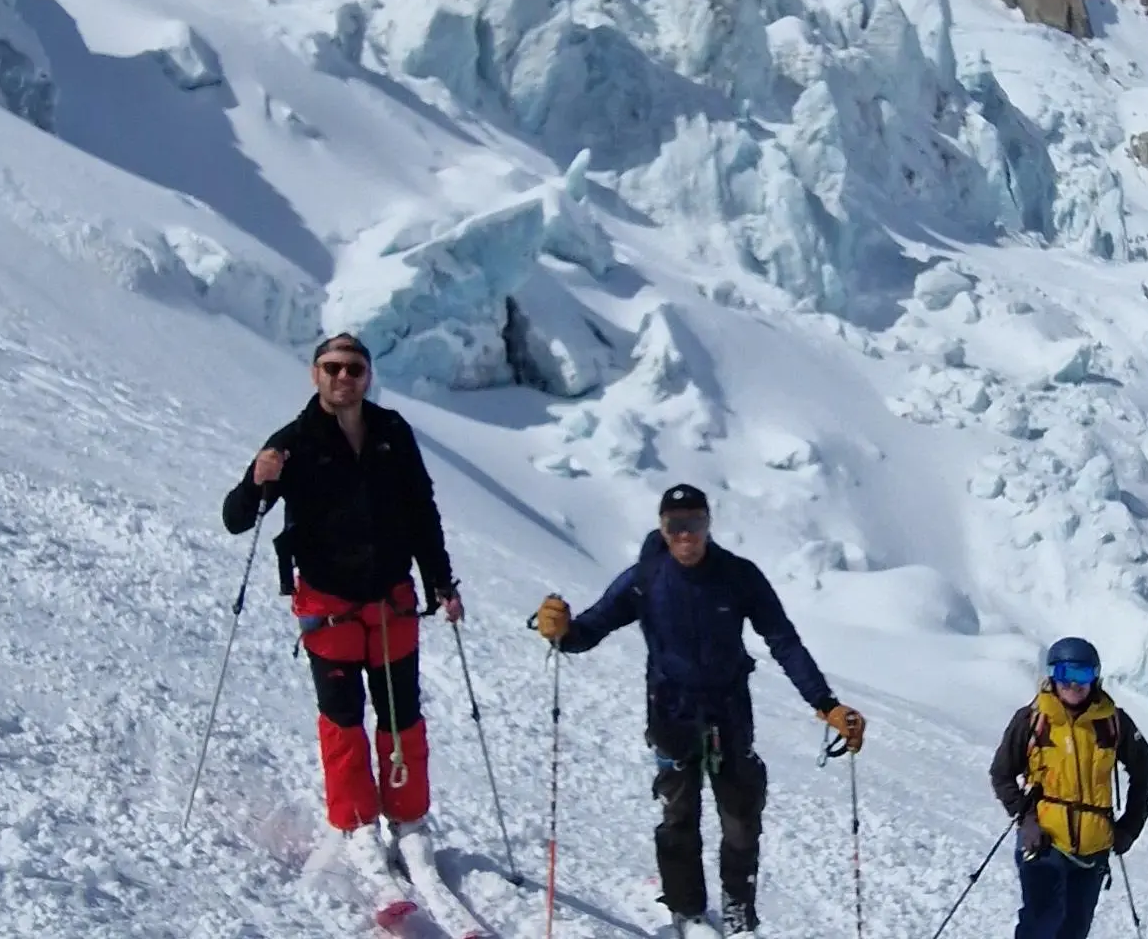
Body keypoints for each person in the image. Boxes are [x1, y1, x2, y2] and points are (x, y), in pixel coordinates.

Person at [532, 483, 866, 937]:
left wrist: (824, 703)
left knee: (742, 818)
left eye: (695, 524)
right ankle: (686, 910)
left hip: (730, 714)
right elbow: (592, 626)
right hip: (671, 714)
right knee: (678, 817)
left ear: (709, 525)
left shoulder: (739, 576)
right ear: (663, 529)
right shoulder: (644, 580)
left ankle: (737, 910)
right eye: (676, 526)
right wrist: (561, 631)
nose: (686, 536)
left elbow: (783, 640)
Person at [221, 332, 464, 860]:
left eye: (353, 369)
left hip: (390, 598)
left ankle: (406, 816)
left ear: (367, 376)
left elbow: (421, 512)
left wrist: (441, 582)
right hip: (328, 606)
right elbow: (237, 519)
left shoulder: (392, 432)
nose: (343, 378)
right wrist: (255, 481)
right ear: (315, 374)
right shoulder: (293, 442)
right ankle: (355, 821)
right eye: (332, 368)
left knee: (401, 714)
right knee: (344, 716)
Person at [988, 636, 1148, 939]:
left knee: (1074, 930)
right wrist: (1025, 821)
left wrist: (1130, 826)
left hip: (1094, 851)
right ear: (1052, 675)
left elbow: (1144, 768)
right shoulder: (1033, 718)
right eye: (1065, 674)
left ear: (1096, 677)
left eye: (1082, 675)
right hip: (1044, 844)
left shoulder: (1113, 721)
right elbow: (1002, 773)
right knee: (1041, 923)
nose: (1073, 685)